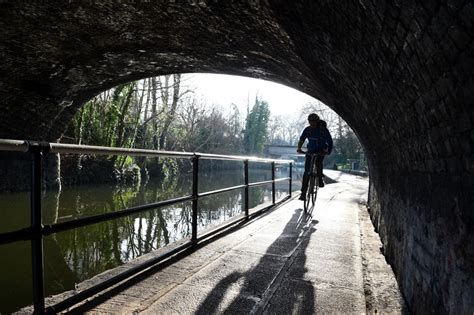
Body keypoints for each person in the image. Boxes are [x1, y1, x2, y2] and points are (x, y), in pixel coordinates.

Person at [297, 113, 333, 200]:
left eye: (314, 122)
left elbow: (330, 140)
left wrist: (328, 151)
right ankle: (303, 193)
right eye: (310, 122)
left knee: (318, 162)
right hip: (311, 150)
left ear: (317, 122)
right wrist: (299, 148)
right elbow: (302, 139)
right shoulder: (307, 130)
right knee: (306, 172)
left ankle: (320, 177)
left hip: (321, 150)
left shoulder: (322, 130)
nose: (312, 124)